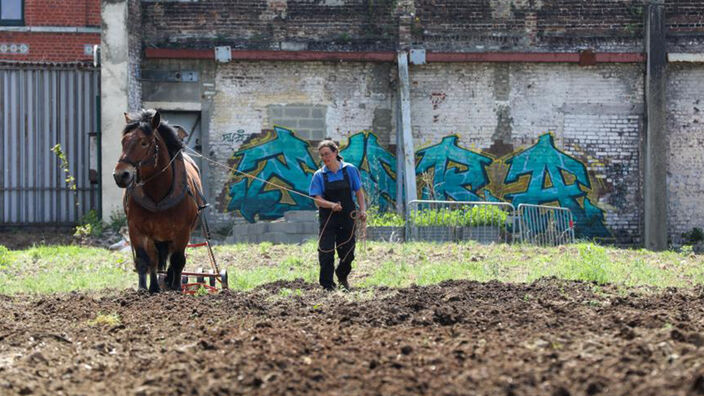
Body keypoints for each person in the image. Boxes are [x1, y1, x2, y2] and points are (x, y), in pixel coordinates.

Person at [309, 140, 366, 291]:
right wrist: (331, 205)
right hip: (328, 220)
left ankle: (341, 275)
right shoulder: (319, 175)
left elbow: (359, 192)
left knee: (348, 253)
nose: (325, 157)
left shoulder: (350, 170)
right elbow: (317, 200)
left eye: (327, 154)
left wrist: (363, 210)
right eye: (322, 155)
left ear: (335, 153)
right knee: (326, 252)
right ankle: (327, 286)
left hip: (348, 218)